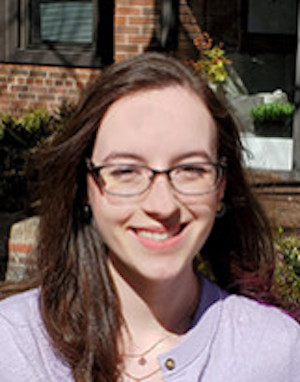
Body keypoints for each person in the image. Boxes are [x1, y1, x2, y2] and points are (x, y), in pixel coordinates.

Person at [0, 52, 299, 382]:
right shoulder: (13, 347)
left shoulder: (277, 353)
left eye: (190, 170)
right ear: (85, 187)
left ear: (221, 188)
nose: (162, 205)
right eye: (126, 170)